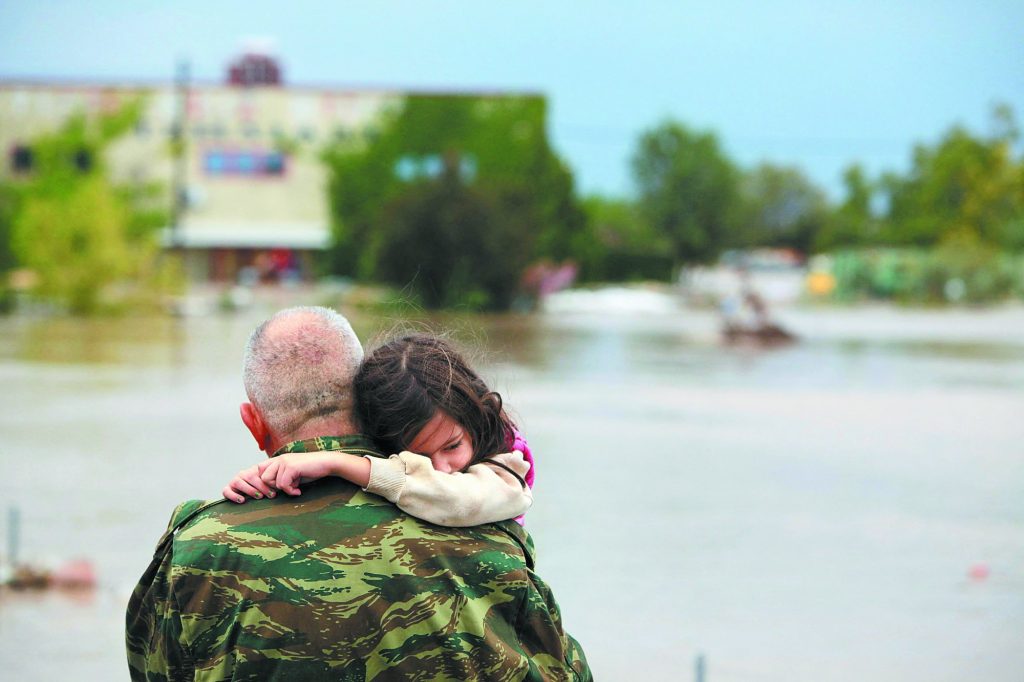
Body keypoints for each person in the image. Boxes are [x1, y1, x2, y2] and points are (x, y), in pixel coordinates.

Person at [125, 306, 590, 681]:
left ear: (254, 422)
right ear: (369, 409)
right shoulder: (484, 529)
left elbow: (152, 667)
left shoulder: (195, 547)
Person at [223, 334, 536, 528]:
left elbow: (455, 500)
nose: (441, 469)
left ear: (475, 420)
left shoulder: (506, 470)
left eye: (452, 446)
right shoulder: (381, 458)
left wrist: (336, 462)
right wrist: (264, 478)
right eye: (418, 456)